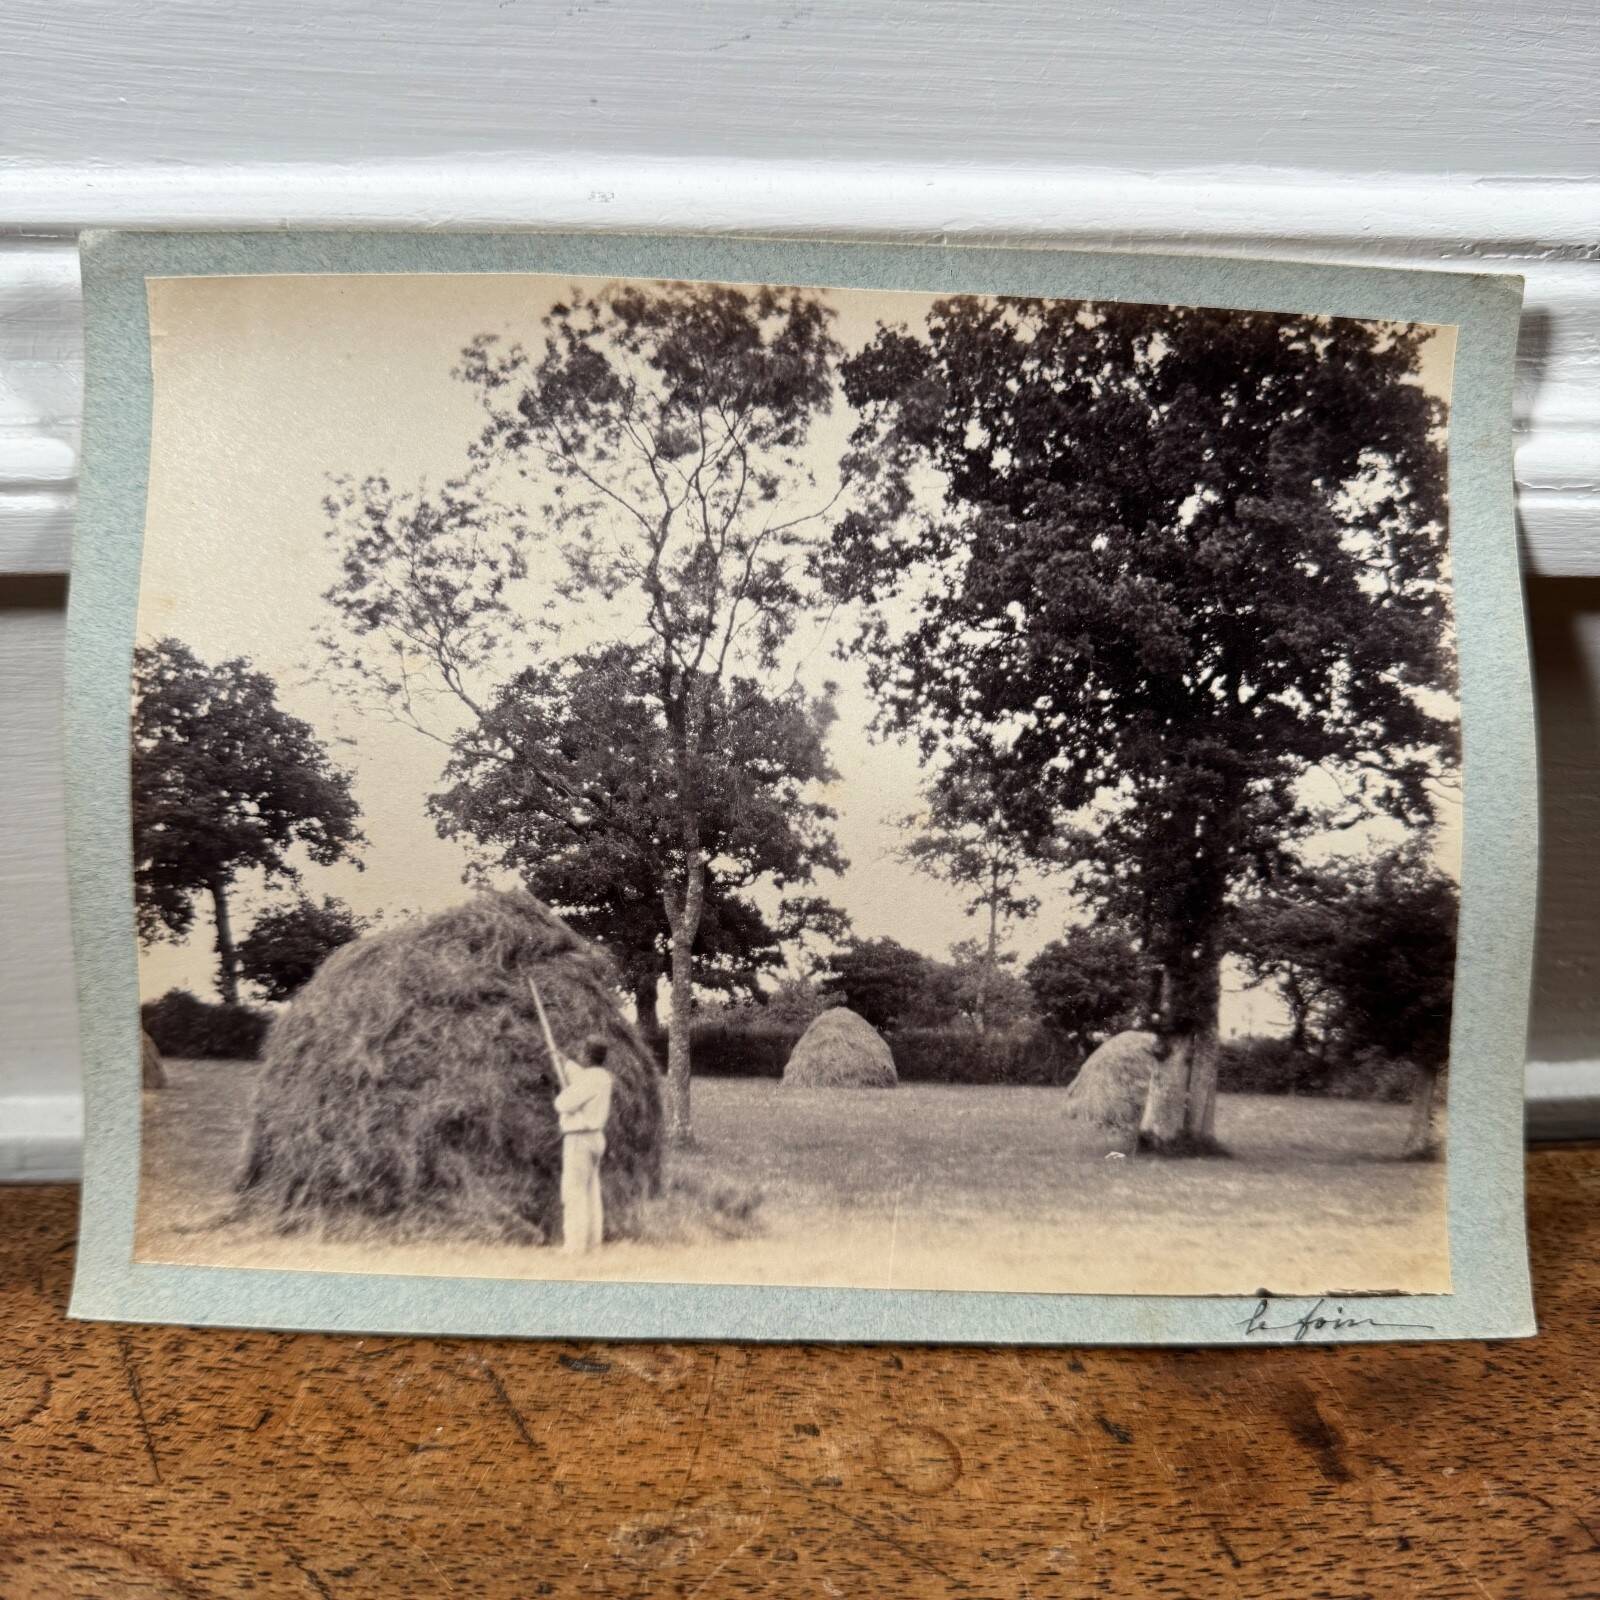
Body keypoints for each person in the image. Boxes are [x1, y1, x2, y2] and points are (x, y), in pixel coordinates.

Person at [553, 1036, 615, 1253]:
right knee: (591, 1192)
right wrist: (566, 1063)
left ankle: (574, 1247)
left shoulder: (589, 1080)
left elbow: (563, 1103)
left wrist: (561, 1094)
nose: (580, 1054)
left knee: (574, 1192)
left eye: (582, 1051)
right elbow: (581, 1079)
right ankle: (592, 1244)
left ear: (588, 1055)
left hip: (579, 1139)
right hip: (596, 1138)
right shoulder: (602, 1077)